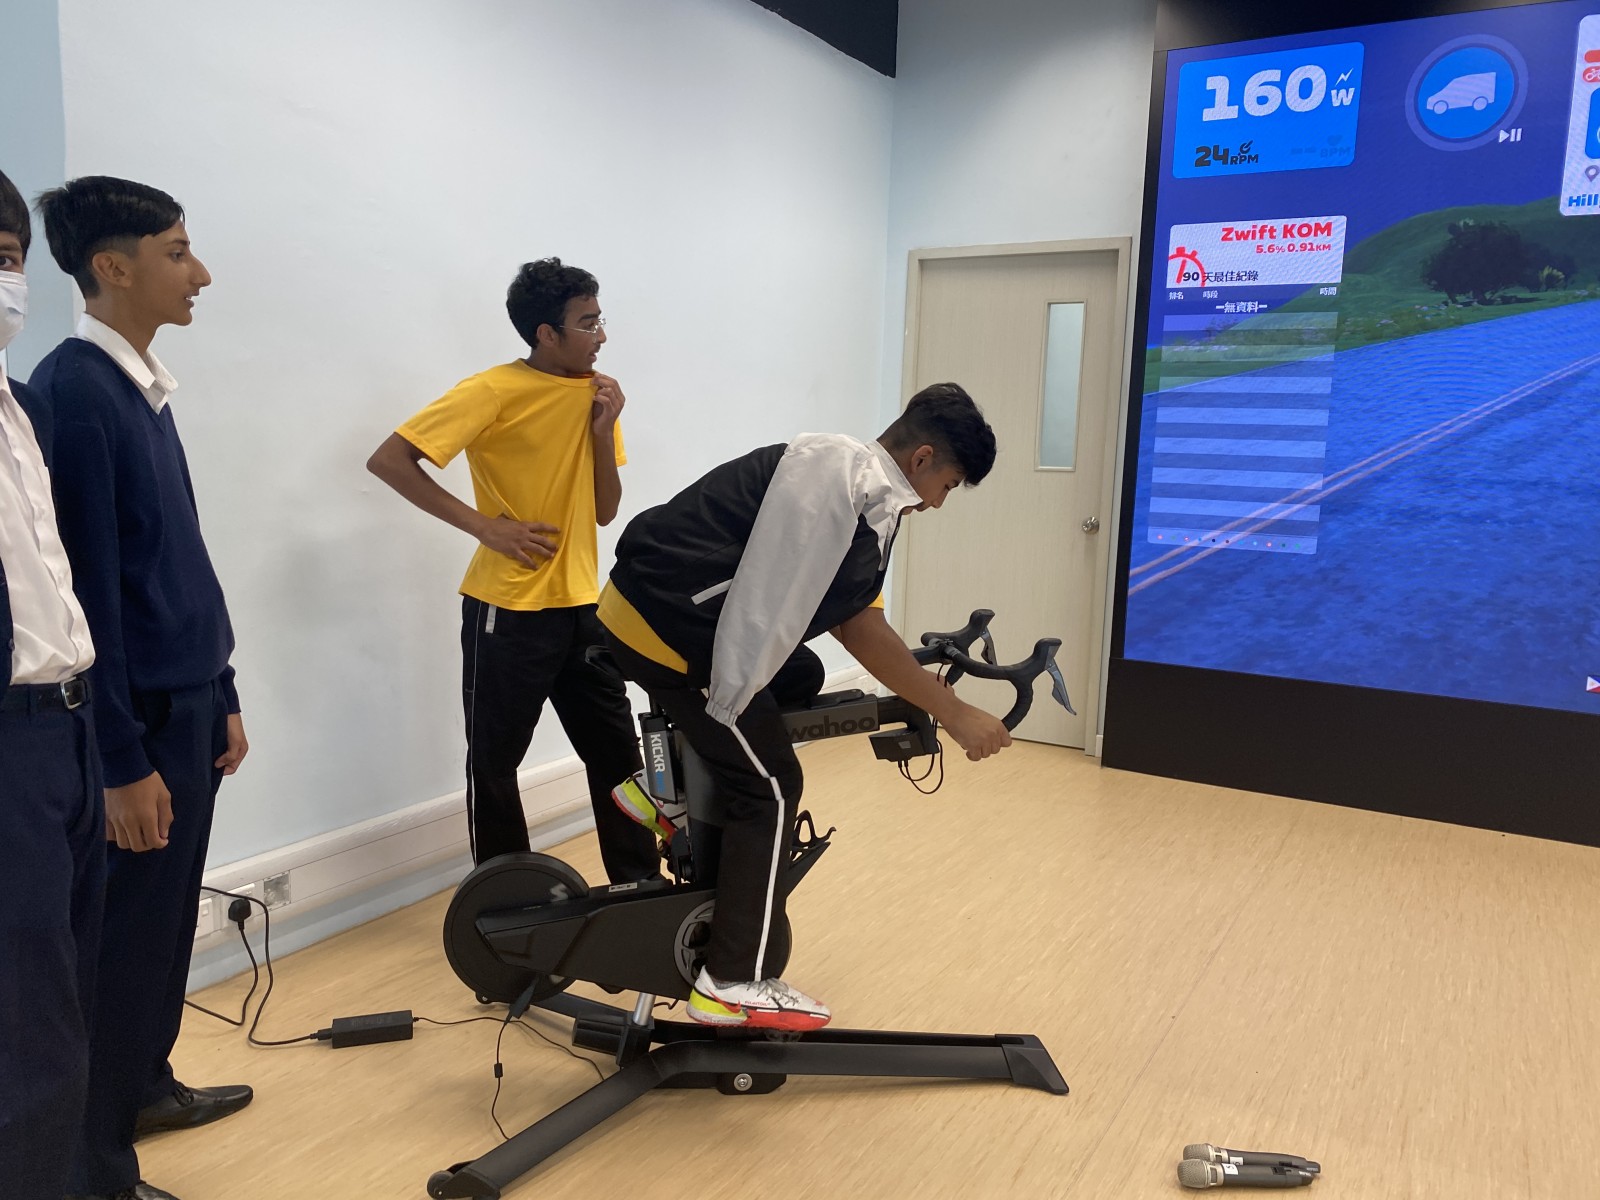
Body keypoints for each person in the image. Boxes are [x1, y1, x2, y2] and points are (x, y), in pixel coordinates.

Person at [599, 382, 1012, 1032]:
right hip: (670, 630)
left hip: (668, 611)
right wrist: (954, 712)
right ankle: (729, 983)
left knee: (803, 673)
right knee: (769, 788)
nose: (939, 502)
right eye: (948, 486)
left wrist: (928, 691)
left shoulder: (863, 488)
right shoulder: (836, 485)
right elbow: (855, 631)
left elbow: (854, 613)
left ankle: (658, 788)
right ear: (923, 459)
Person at [30, 175, 251, 1200]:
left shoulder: (141, 387)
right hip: (142, 721)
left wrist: (223, 685)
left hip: (188, 701)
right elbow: (90, 595)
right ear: (111, 267)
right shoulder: (77, 394)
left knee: (160, 936)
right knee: (121, 953)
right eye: (176, 251)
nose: (198, 272)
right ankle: (100, 1169)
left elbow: (177, 555)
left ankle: (146, 1086)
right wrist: (120, 761)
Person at [366, 258, 658, 880]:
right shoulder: (492, 390)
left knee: (617, 759)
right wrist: (484, 526)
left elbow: (605, 511)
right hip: (508, 610)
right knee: (495, 765)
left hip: (583, 607)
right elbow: (389, 460)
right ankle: (508, 900)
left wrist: (603, 431)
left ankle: (639, 888)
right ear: (546, 334)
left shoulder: (598, 395)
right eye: (587, 323)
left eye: (600, 319)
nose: (602, 335)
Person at [0, 166, 105, 1200]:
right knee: (26, 1028)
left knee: (64, 997)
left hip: (68, 727)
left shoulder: (23, 408)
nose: (6, 280)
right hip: (8, 744)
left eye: (9, 258)